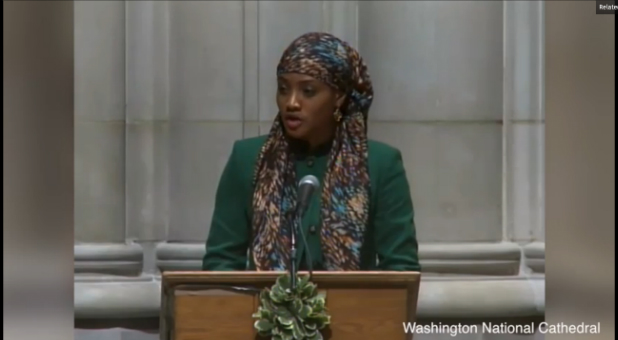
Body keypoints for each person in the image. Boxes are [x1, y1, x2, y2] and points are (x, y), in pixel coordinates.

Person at [202, 32, 420, 272]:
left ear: (338, 97)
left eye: (308, 91)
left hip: (351, 308)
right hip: (261, 307)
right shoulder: (247, 158)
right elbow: (220, 263)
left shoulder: (380, 164)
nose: (291, 103)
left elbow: (401, 269)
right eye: (283, 89)